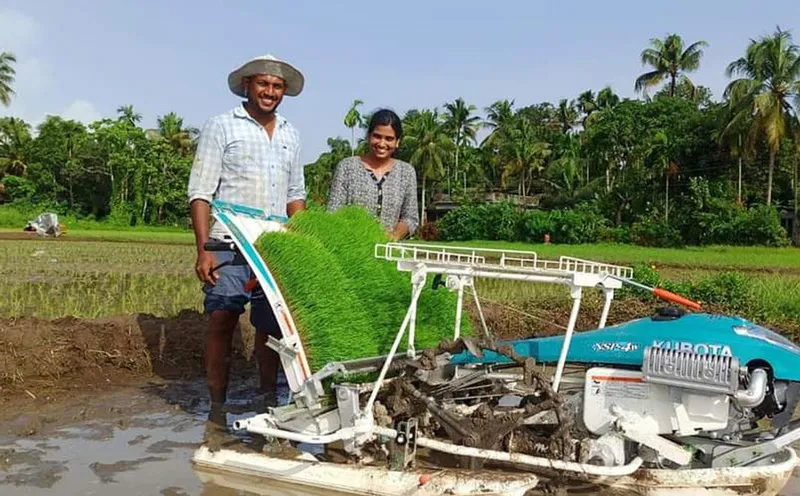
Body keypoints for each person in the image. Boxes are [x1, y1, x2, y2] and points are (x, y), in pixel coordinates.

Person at [186, 54, 306, 433]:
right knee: (222, 318)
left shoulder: (290, 133)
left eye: (277, 86)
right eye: (263, 84)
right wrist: (204, 247)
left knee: (272, 328)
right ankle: (217, 407)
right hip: (227, 243)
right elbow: (201, 191)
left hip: (272, 246)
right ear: (248, 86)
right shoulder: (222, 126)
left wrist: (299, 243)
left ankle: (267, 400)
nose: (270, 92)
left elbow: (295, 196)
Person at [327, 109, 419, 239]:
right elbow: (333, 213)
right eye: (377, 136)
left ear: (397, 142)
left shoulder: (406, 172)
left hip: (389, 252)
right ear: (368, 136)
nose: (382, 144)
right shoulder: (347, 167)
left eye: (389, 139)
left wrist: (394, 235)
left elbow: (410, 218)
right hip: (351, 247)